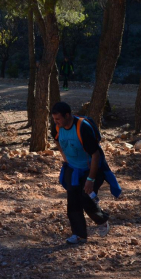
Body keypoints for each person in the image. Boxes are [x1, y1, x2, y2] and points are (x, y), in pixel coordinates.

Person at [51, 102, 121, 245]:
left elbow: (95, 155)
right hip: (73, 169)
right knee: (73, 202)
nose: (55, 122)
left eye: (58, 119)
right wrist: (66, 159)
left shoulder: (82, 128)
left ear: (67, 115)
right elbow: (57, 140)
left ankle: (102, 220)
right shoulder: (57, 127)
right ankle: (79, 235)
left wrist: (91, 179)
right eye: (54, 119)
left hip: (92, 169)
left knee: (86, 198)